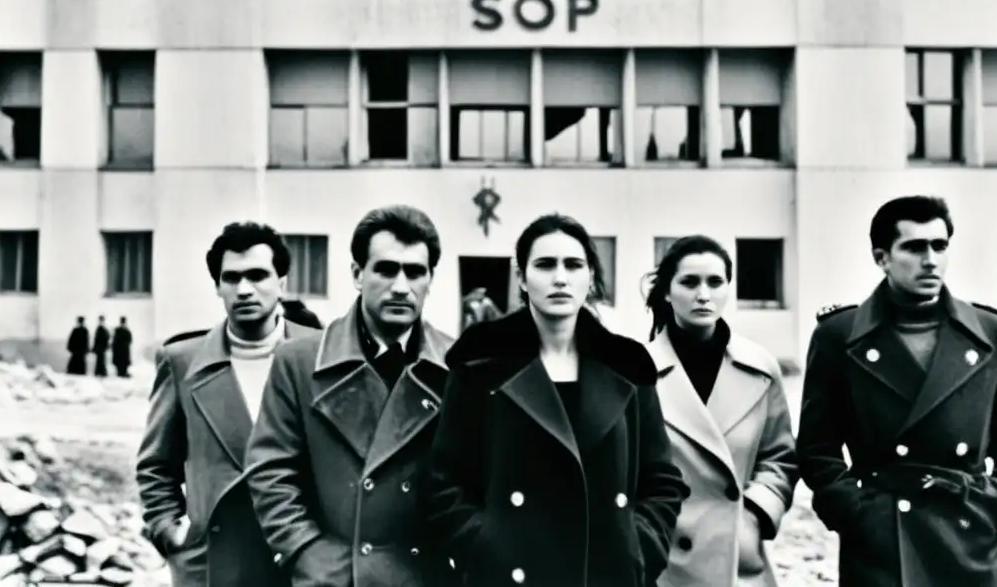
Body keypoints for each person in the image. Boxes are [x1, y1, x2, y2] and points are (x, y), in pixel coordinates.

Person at [423, 213, 688, 587]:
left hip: (606, 574)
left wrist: (639, 549)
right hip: (507, 576)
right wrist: (482, 547)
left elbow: (661, 479)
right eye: (545, 265)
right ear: (522, 278)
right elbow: (444, 479)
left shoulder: (627, 366)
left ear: (590, 277)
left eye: (574, 265)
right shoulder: (479, 363)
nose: (560, 278)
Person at [797, 195, 997, 587]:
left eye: (940, 246)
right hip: (883, 542)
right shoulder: (840, 335)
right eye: (915, 247)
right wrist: (854, 510)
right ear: (882, 258)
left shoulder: (990, 332)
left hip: (971, 534)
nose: (931, 259)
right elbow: (817, 447)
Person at [246, 205, 455, 587]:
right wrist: (305, 550)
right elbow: (269, 470)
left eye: (415, 272)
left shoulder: (456, 367)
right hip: (333, 576)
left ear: (431, 279)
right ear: (358, 275)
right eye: (386, 269)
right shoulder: (299, 362)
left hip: (421, 575)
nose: (400, 287)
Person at [136, 222, 319, 587]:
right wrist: (171, 533)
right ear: (218, 286)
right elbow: (156, 466)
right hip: (212, 565)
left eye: (258, 275)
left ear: (281, 282)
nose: (245, 289)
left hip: (303, 565)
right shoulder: (183, 362)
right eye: (231, 278)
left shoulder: (321, 353)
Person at [644, 236, 797, 587]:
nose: (703, 294)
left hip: (739, 561)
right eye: (689, 282)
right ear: (667, 292)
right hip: (664, 560)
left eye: (715, 282)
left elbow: (780, 456)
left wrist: (756, 514)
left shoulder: (759, 368)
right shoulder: (635, 373)